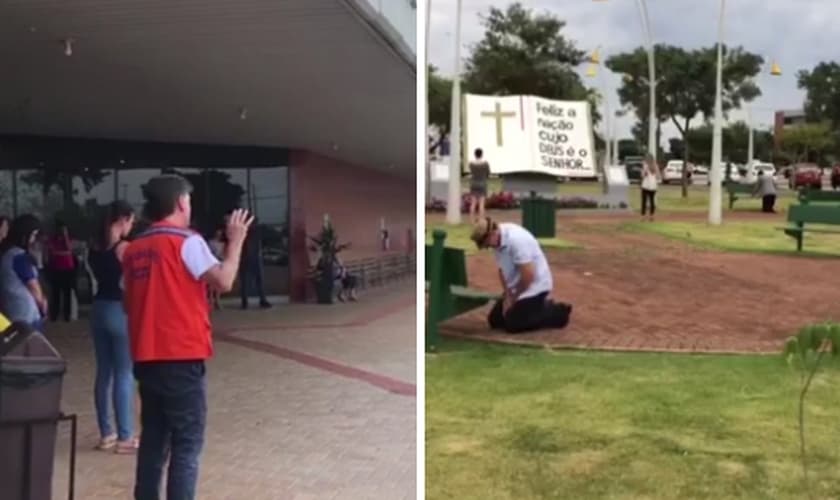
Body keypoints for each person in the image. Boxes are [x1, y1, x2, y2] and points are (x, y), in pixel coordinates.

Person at [122, 174, 253, 499]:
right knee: (186, 444)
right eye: (189, 201)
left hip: (146, 357)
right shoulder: (186, 242)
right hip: (180, 357)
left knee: (153, 439)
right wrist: (235, 243)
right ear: (181, 202)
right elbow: (223, 281)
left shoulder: (134, 249)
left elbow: (130, 300)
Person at [87, 200, 137, 454]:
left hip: (98, 309)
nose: (132, 225)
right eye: (131, 220)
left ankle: (107, 433)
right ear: (123, 219)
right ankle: (126, 436)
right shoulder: (125, 248)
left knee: (104, 372)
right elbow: (130, 283)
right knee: (124, 373)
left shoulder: (94, 247)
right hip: (120, 310)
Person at [470, 217, 572, 334]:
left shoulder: (517, 240)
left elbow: (528, 275)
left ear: (492, 233)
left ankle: (556, 311)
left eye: (487, 244)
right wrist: (507, 295)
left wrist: (514, 297)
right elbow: (502, 270)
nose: (488, 247)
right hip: (516, 287)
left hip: (535, 286)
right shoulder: (497, 241)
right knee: (495, 321)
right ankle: (534, 308)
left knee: (513, 324)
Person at [0, 214, 47, 330]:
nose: (33, 239)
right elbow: (33, 285)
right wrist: (42, 302)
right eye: (33, 234)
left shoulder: (7, 254)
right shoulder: (19, 257)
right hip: (26, 313)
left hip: (13, 310)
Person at [45, 219, 77, 322]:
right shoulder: (52, 240)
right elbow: (52, 252)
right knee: (56, 294)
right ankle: (54, 315)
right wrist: (64, 253)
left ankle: (67, 316)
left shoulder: (69, 239)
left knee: (67, 293)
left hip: (68, 269)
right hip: (56, 269)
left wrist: (66, 237)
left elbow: (69, 249)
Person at [239, 222, 271, 309]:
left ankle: (257, 300)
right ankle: (247, 301)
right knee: (248, 281)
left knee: (252, 281)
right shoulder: (247, 234)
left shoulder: (253, 234)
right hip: (248, 259)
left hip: (251, 258)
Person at [468, 148, 491, 222]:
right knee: (481, 204)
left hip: (474, 183)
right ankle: (481, 220)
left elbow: (472, 172)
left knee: (473, 203)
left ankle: (471, 220)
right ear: (482, 154)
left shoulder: (471, 164)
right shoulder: (485, 164)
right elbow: (488, 173)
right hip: (482, 184)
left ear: (475, 154)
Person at [207, 226, 226, 310]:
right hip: (212, 263)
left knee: (218, 284)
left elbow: (224, 253)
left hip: (219, 263)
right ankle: (211, 301)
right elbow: (208, 252)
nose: (219, 235)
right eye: (217, 233)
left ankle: (218, 301)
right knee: (211, 285)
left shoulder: (222, 244)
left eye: (220, 233)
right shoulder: (210, 242)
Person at [640, 154, 660, 221]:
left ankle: (645, 216)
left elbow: (642, 176)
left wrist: (645, 169)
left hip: (647, 185)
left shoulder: (652, 166)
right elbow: (657, 176)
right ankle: (650, 216)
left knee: (646, 201)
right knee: (650, 201)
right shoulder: (654, 166)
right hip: (651, 185)